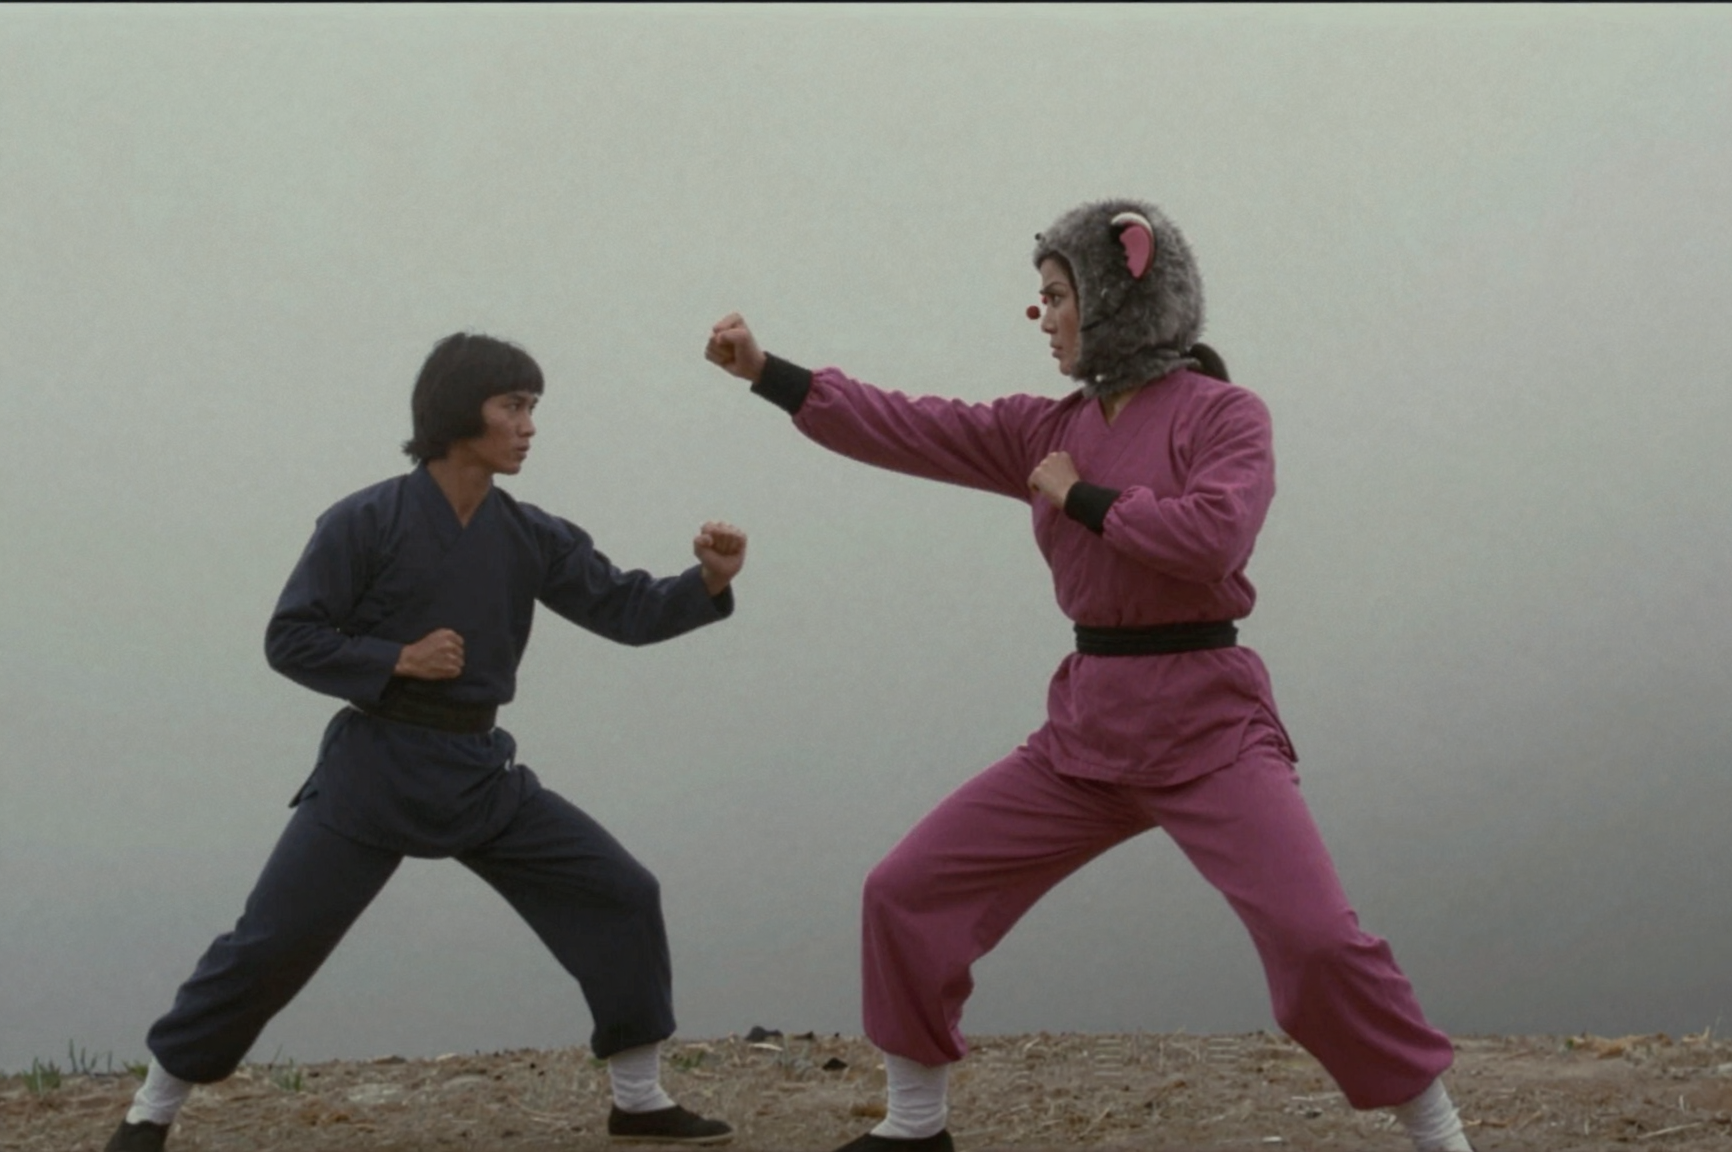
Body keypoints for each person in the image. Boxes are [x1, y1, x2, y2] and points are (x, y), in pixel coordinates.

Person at [705, 199, 1474, 1152]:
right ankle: (915, 1125)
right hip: (1087, 733)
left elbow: (1214, 537)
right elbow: (906, 425)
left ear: (1120, 295)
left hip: (1210, 726)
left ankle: (1439, 1133)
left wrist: (1084, 497)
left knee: (1316, 942)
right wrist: (768, 373)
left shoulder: (1225, 414)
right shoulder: (1045, 427)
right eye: (1043, 296)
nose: (1044, 317)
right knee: (904, 890)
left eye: (1059, 295)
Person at [105, 333, 744, 1151]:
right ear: (458, 411)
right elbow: (290, 639)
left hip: (480, 774)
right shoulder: (363, 521)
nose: (529, 426)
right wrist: (397, 659)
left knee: (620, 892)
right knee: (269, 946)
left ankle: (639, 1100)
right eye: (513, 406)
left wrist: (709, 581)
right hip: (373, 773)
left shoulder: (530, 534)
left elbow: (625, 609)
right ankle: (150, 1113)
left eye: (533, 408)